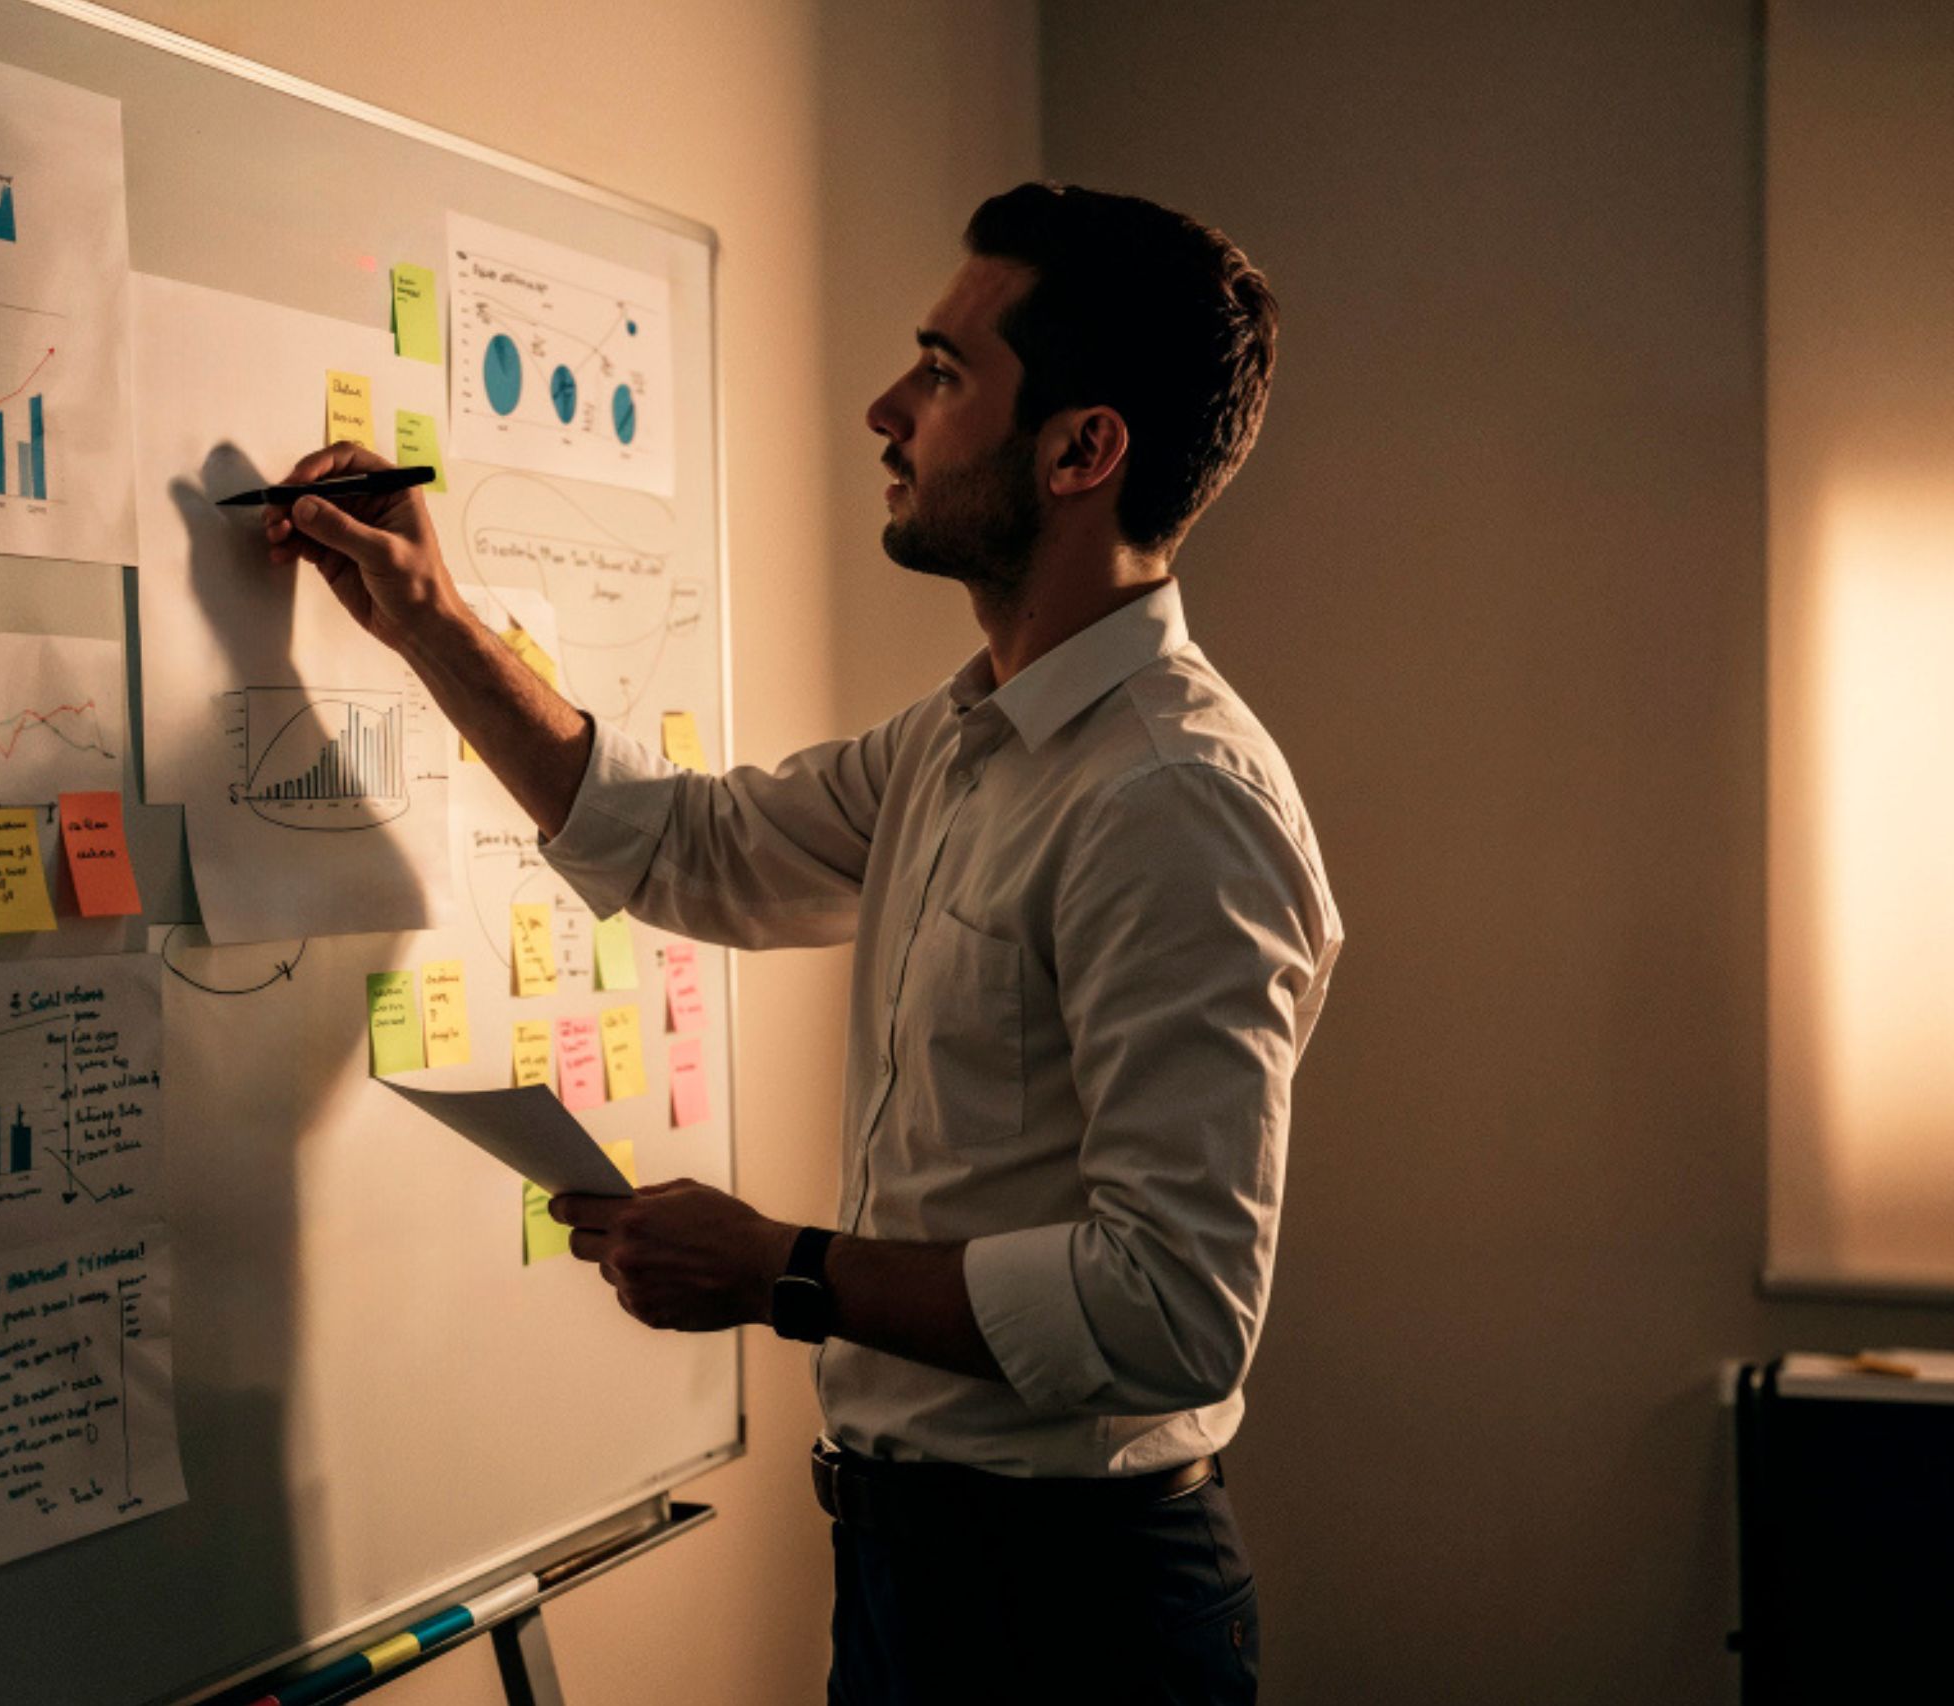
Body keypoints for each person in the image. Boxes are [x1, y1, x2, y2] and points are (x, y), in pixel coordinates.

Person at [265, 182, 1341, 1705]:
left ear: (1081, 450)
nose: (884, 410)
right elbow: (689, 847)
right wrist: (429, 617)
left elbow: (1173, 1308)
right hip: (914, 1574)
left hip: (1076, 1614)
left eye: (943, 373)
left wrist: (782, 1269)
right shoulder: (958, 743)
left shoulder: (1174, 802)